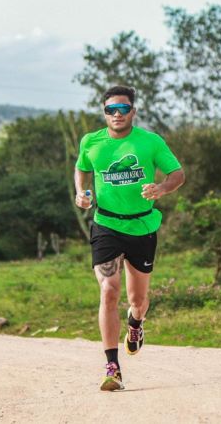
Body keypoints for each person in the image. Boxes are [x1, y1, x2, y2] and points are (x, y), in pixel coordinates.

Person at [74, 86, 185, 391]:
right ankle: (112, 367)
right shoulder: (91, 142)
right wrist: (81, 194)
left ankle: (135, 323)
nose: (117, 115)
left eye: (123, 109)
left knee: (138, 300)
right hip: (106, 225)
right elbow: (81, 168)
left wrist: (162, 189)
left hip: (142, 227)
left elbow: (177, 174)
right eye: (111, 110)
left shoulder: (150, 142)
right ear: (104, 112)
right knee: (109, 290)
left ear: (133, 112)